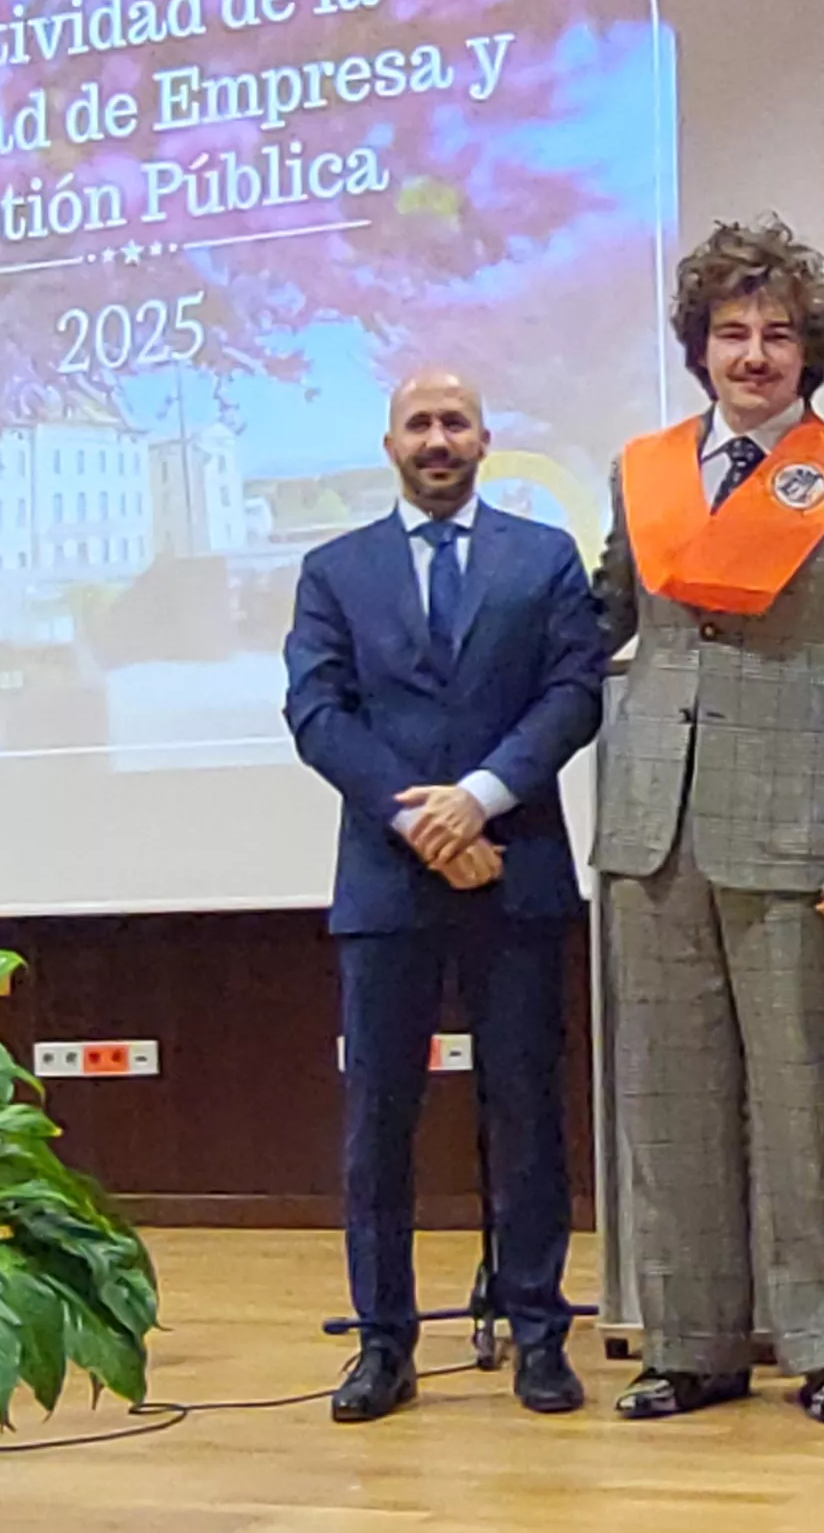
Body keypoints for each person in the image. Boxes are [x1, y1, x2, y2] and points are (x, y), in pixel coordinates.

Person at [594, 217, 824, 1426]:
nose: (754, 355)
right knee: (669, 1100)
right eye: (732, 333)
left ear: (810, 351)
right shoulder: (645, 475)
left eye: (777, 334)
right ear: (700, 348)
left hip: (800, 834)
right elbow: (598, 624)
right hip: (651, 828)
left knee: (802, 1101)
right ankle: (691, 1343)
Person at [283, 369, 608, 1423]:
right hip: (385, 880)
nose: (437, 438)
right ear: (388, 443)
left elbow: (573, 693)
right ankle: (382, 1344)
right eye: (419, 423)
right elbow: (316, 709)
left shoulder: (543, 555)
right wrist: (416, 818)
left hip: (514, 868)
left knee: (528, 1112)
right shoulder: (334, 570)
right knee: (378, 1121)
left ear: (483, 438)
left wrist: (476, 800)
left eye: (453, 422)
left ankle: (539, 1334)